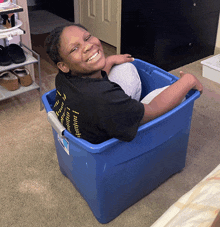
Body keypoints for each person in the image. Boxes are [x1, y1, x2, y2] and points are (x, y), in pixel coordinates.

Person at [45, 23, 203, 144]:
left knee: (125, 67)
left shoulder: (63, 78)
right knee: (180, 93)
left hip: (98, 119)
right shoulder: (102, 98)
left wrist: (111, 60)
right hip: (111, 135)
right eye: (74, 49)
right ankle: (131, 110)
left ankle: (128, 109)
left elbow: (96, 78)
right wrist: (188, 81)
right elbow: (152, 110)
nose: (87, 46)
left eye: (87, 38)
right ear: (63, 65)